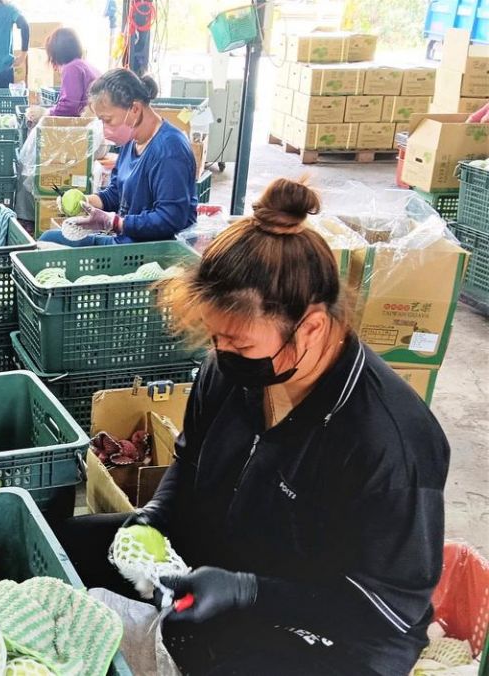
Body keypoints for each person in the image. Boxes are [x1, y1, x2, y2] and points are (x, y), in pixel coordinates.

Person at [55, 178, 449, 675]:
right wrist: (154, 516)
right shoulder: (230, 370)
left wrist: (248, 592)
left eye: (239, 344)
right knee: (65, 546)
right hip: (225, 558)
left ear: (312, 327)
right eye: (216, 338)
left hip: (332, 631)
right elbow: (191, 456)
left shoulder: (390, 440)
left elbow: (386, 608)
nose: (221, 355)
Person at [39, 68, 197, 247]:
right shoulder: (132, 141)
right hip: (125, 239)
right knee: (49, 239)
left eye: (108, 120)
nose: (104, 129)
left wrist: (114, 223)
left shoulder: (170, 150)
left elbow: (170, 218)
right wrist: (86, 202)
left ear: (135, 109)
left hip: (149, 250)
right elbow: (116, 194)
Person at [26, 27, 100, 124]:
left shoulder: (71, 68)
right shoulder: (83, 65)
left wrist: (45, 112)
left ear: (57, 53)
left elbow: (69, 106)